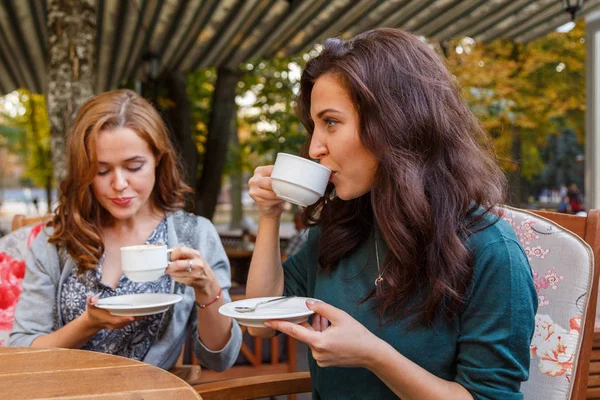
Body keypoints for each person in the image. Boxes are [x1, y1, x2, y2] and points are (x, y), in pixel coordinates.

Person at [246, 28, 537, 399]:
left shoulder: (492, 252)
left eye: (330, 122)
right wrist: (269, 216)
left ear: (395, 122)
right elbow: (261, 325)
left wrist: (373, 355)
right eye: (313, 126)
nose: (314, 147)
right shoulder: (341, 229)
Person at [10, 89, 242, 371]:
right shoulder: (56, 241)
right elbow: (21, 350)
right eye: (102, 170)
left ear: (158, 157)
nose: (119, 184)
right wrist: (89, 323)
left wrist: (207, 288)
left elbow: (219, 359)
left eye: (134, 166)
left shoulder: (194, 235)